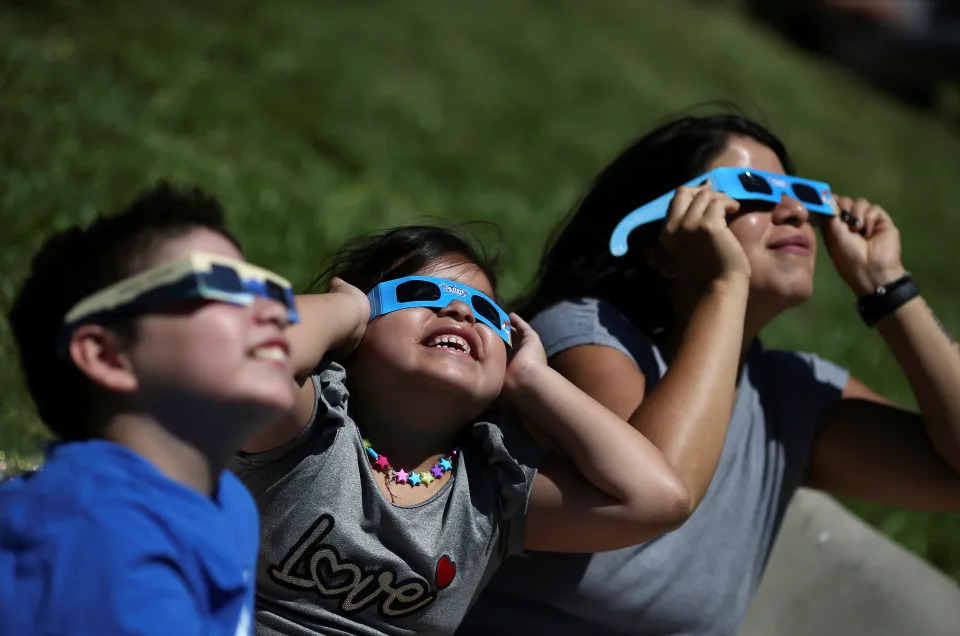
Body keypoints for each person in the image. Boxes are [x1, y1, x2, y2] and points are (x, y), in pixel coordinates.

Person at [460, 112, 960, 635]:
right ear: (665, 244)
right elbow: (656, 494)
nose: (792, 211)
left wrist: (889, 287)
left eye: (803, 195)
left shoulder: (791, 398)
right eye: (752, 190)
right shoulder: (587, 336)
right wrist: (727, 285)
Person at [231, 222, 750, 635]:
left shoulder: (492, 495)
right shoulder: (305, 430)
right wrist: (344, 308)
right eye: (417, 292)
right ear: (358, 328)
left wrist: (534, 380)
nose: (459, 310)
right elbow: (245, 357)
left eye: (486, 311)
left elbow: (658, 499)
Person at [0, 183, 298, 635]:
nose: (276, 313)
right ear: (107, 356)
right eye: (222, 283)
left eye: (269, 291)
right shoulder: (99, 541)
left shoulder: (227, 501)